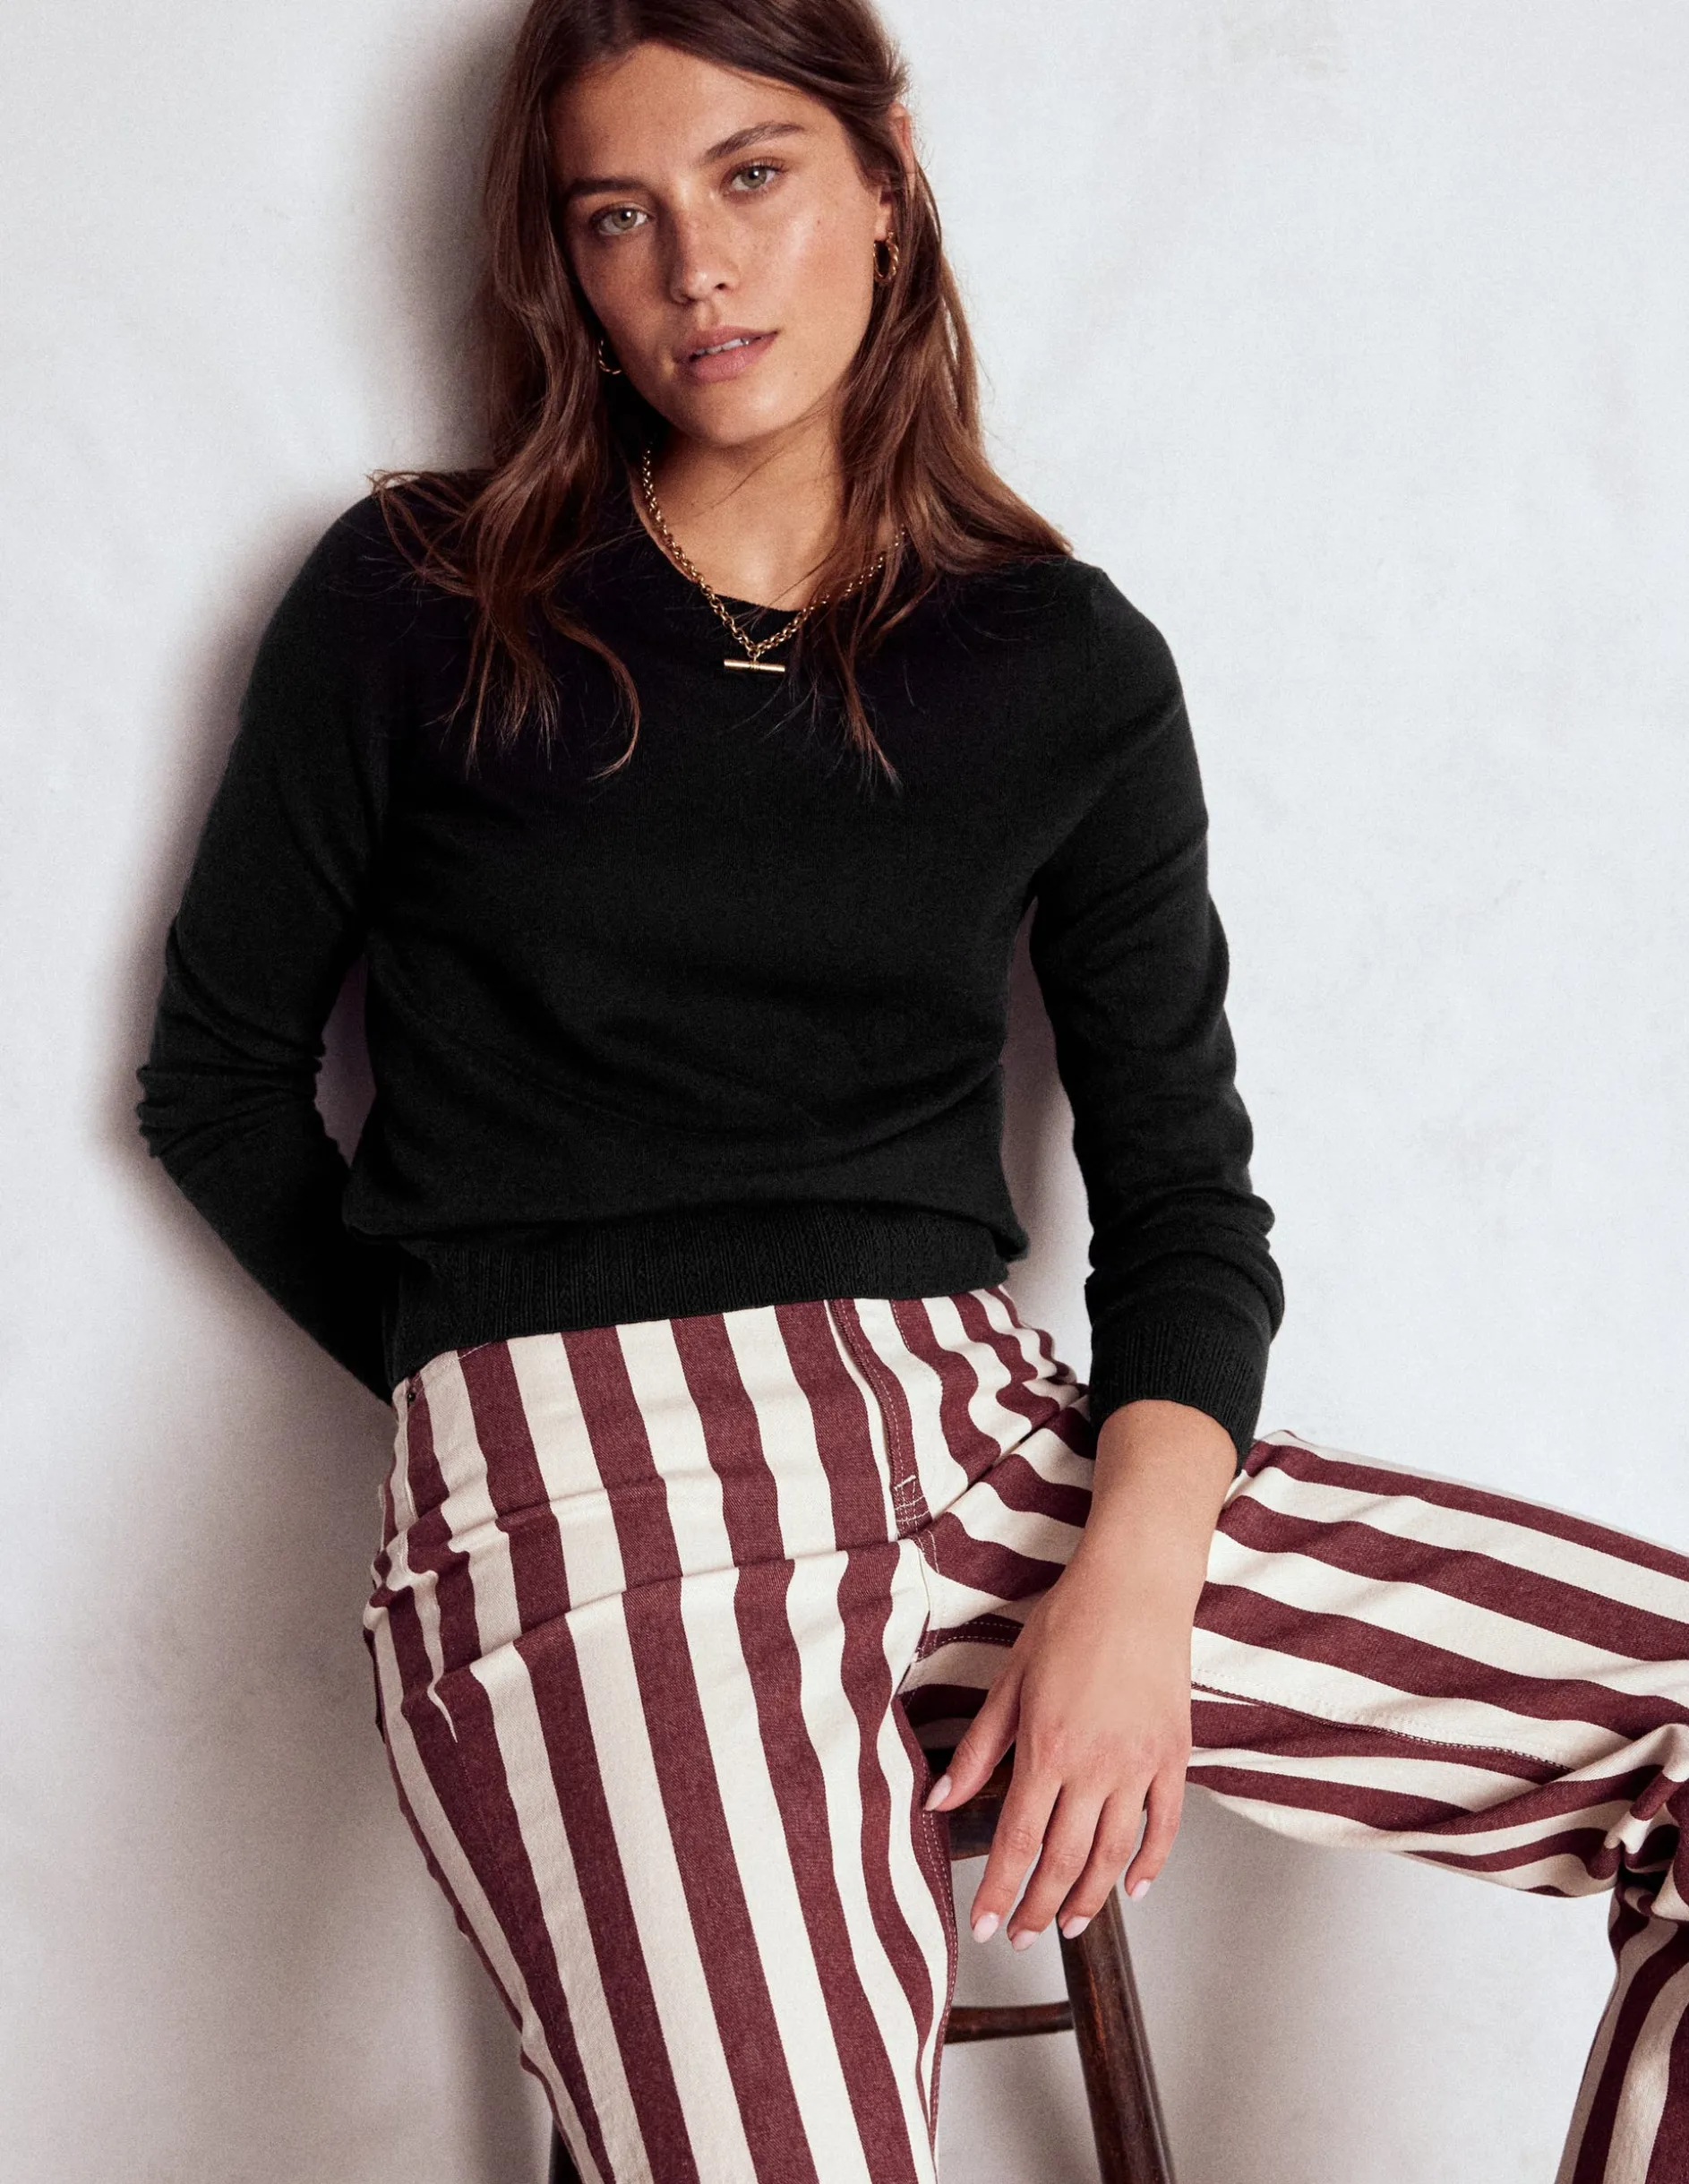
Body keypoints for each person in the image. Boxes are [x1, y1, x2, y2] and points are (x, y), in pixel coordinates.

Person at [134, 4, 1689, 2179]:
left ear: (883, 184)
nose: (697, 267)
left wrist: (1131, 1590)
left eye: (753, 175)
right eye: (616, 215)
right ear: (564, 264)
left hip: (978, 1429)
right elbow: (216, 1081)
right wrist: (483, 1381)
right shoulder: (420, 594)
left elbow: (1183, 1202)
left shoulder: (1059, 661)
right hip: (587, 1503)